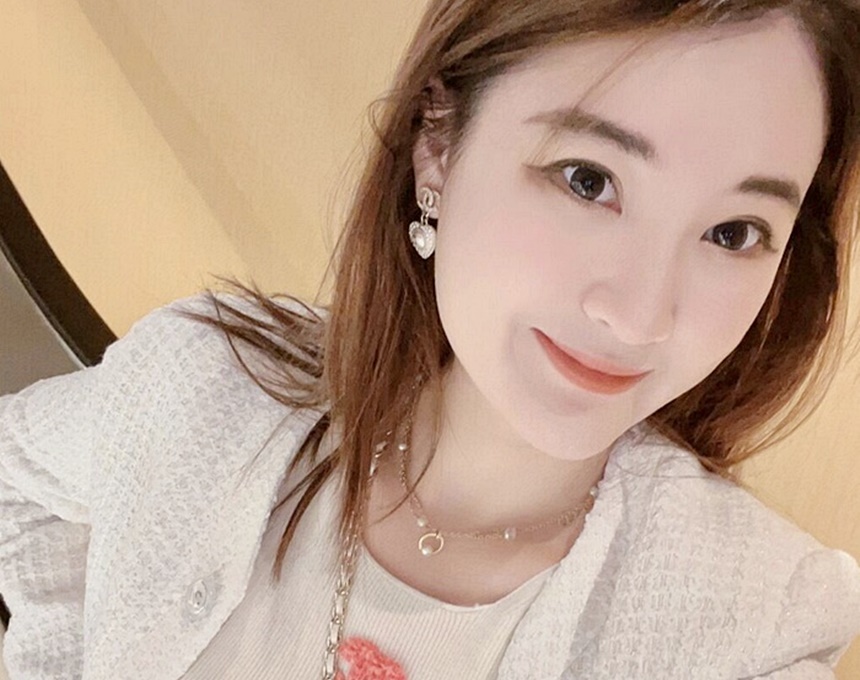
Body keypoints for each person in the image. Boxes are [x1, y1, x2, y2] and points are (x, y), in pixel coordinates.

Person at [3, 0, 860, 678]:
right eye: (588, 180)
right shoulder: (204, 391)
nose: (641, 316)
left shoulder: (744, 630)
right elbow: (23, 482)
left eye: (734, 233)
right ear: (438, 145)